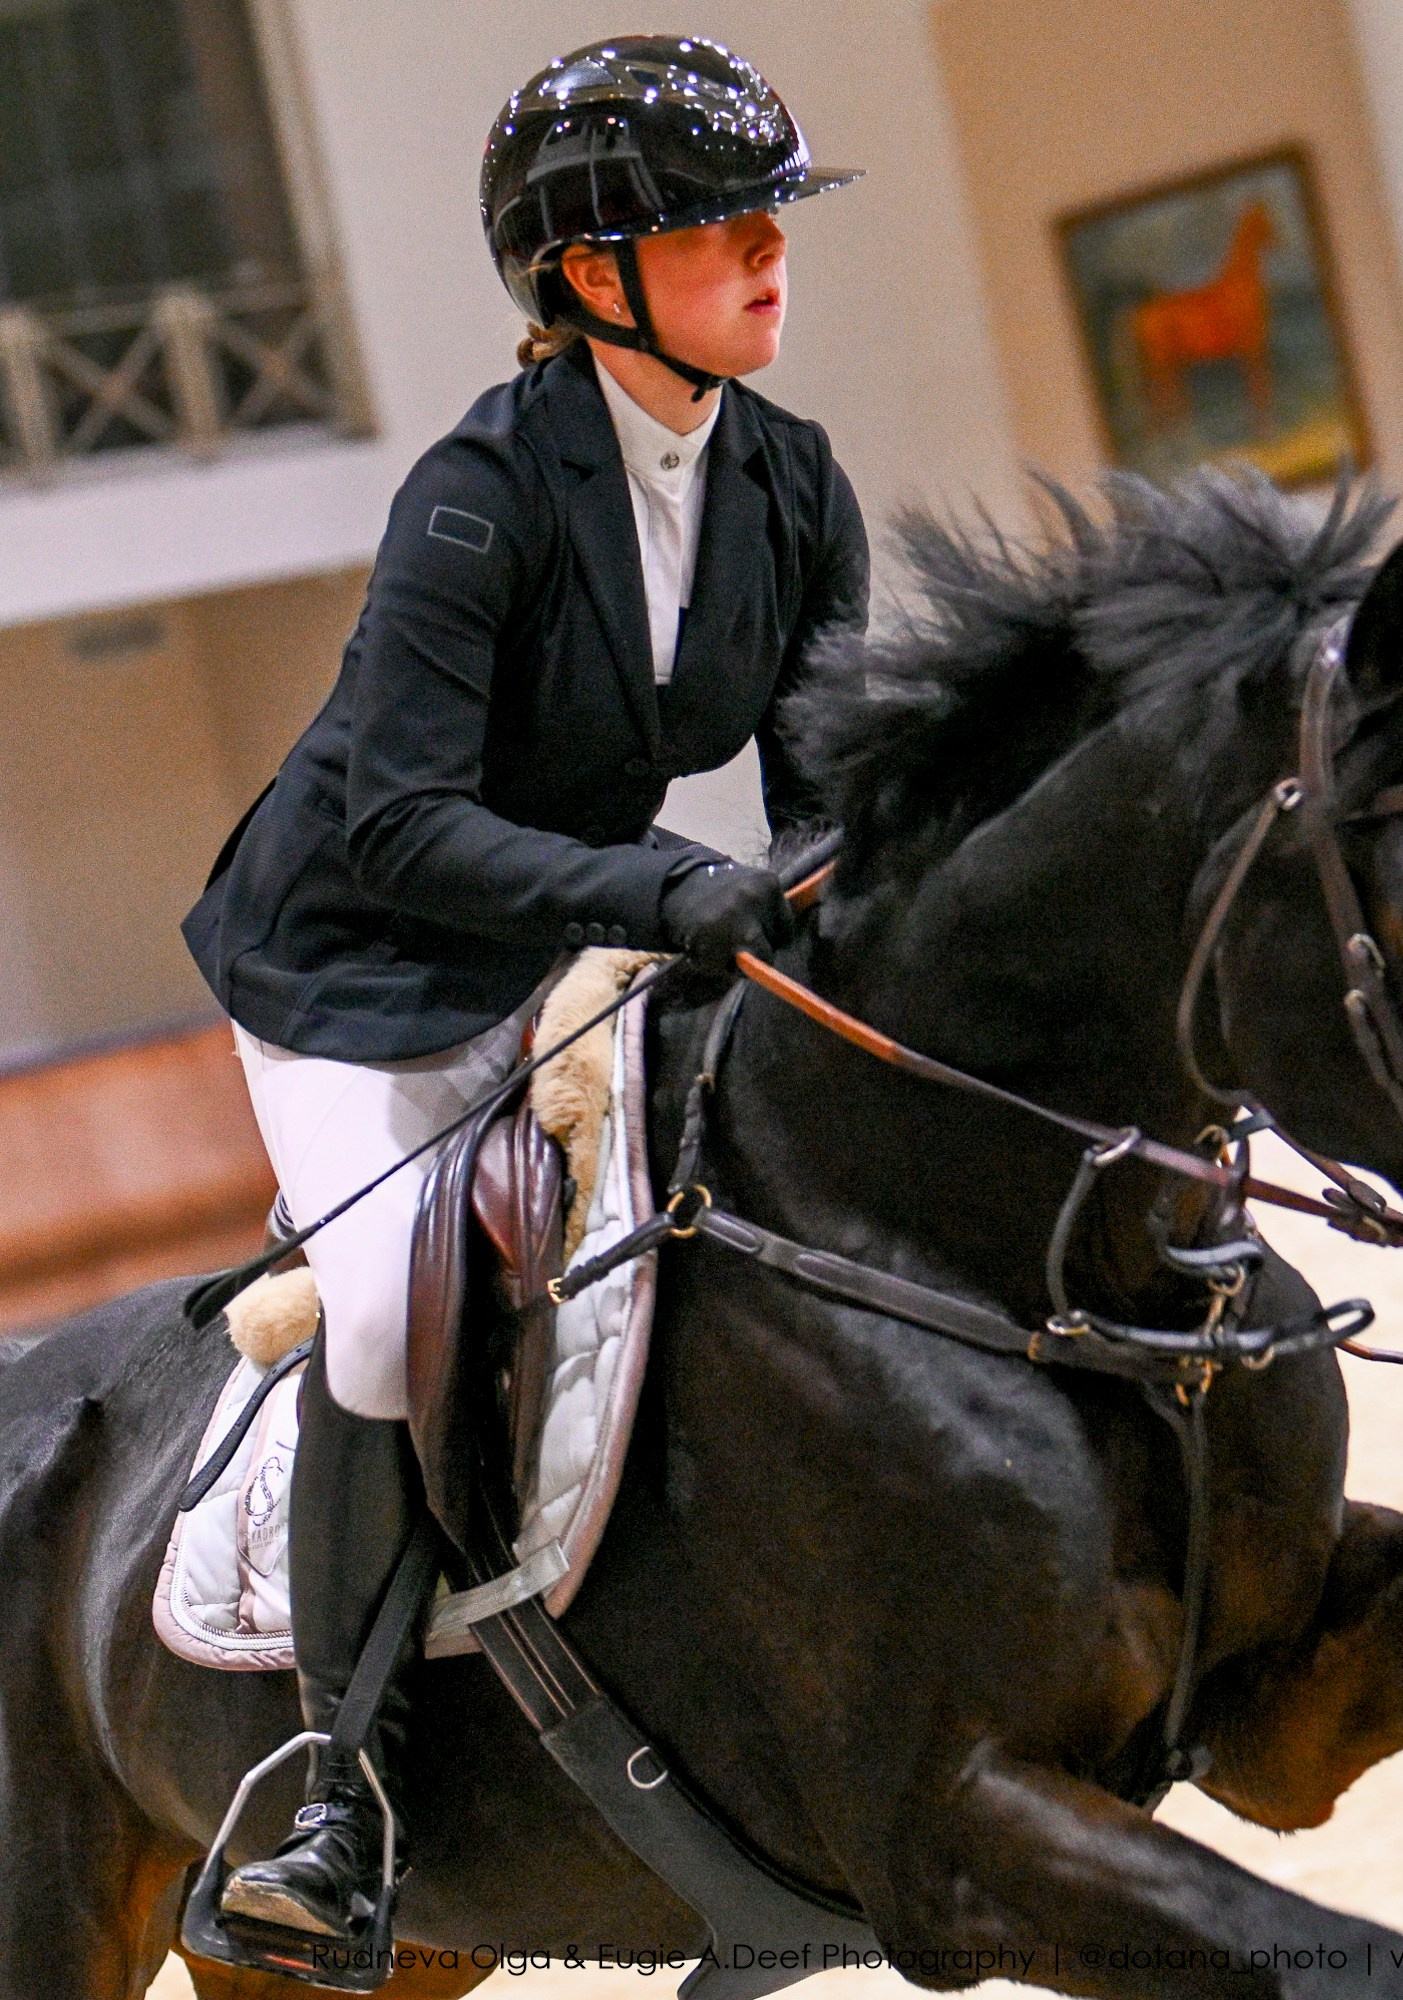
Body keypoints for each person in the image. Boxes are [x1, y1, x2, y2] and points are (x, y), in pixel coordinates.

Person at [181, 34, 867, 1942]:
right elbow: (399, 825)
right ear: (591, 277)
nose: (766, 255)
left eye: (771, 221)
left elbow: (823, 812)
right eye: (718, 228)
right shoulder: (477, 493)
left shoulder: (794, 486)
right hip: (349, 966)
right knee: (396, 1312)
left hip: (559, 940)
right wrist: (671, 890)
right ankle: (335, 1804)